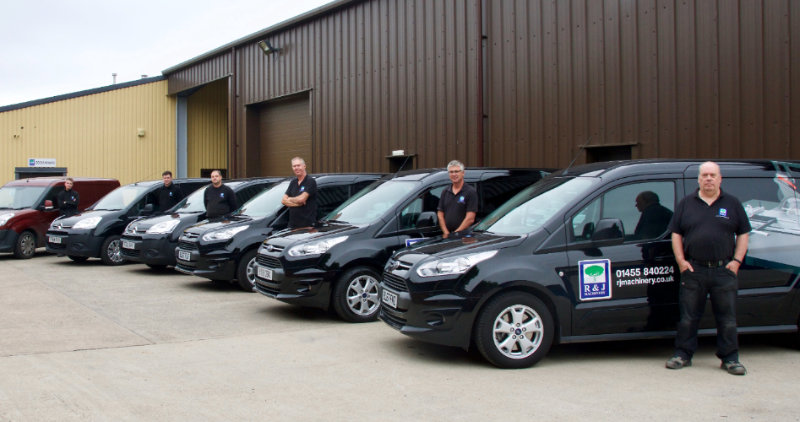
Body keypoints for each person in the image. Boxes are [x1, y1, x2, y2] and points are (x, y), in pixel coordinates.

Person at [665, 161, 751, 376]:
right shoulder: (686, 204)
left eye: (713, 175)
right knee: (688, 317)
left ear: (720, 178)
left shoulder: (732, 204)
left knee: (727, 318)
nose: (709, 179)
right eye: (705, 175)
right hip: (694, 270)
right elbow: (676, 234)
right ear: (699, 179)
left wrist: (737, 261)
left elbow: (743, 233)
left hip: (724, 271)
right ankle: (683, 354)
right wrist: (681, 261)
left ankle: (730, 359)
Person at [437, 160, 478, 238]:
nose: (454, 174)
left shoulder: (470, 192)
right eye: (451, 172)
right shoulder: (445, 191)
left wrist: (456, 233)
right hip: (448, 235)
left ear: (463, 173)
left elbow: (470, 218)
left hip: (465, 236)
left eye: (456, 171)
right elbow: (440, 213)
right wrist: (446, 232)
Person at [281, 157, 317, 229]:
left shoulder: (310, 181)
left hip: (307, 226)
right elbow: (283, 200)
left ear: (304, 166)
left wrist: (290, 199)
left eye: (298, 165)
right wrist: (297, 204)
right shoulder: (293, 182)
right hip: (292, 225)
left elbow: (301, 199)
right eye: (294, 166)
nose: (296, 168)